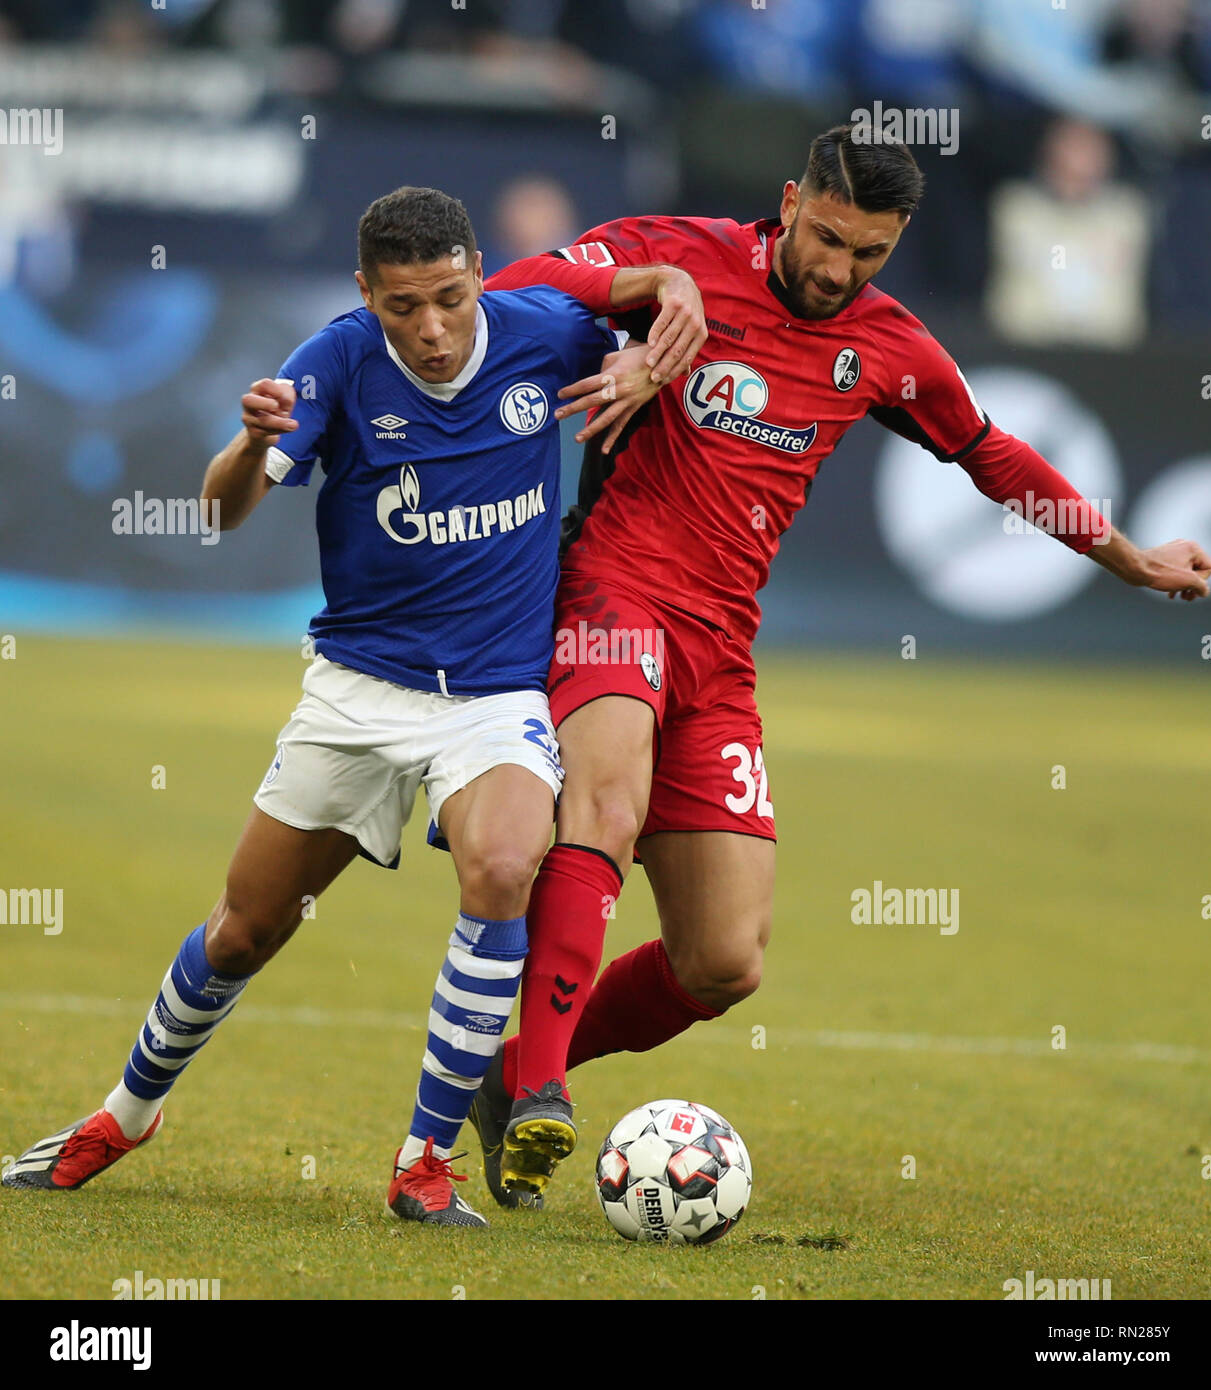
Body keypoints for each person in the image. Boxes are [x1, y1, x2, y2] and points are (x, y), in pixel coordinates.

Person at [472, 125, 1211, 1206]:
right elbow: (517, 287)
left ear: (894, 241)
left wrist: (1127, 557)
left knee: (722, 961)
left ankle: (501, 1076)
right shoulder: (681, 256)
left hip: (720, 650)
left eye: (865, 253)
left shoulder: (887, 346)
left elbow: (991, 454)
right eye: (822, 238)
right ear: (790, 201)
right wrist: (649, 287)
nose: (834, 269)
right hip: (608, 593)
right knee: (606, 800)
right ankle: (539, 1089)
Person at [1, 184, 704, 1227]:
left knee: (508, 859)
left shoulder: (546, 327)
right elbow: (220, 510)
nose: (431, 328)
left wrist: (657, 335)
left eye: (451, 300)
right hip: (356, 691)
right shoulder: (331, 361)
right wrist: (246, 447)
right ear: (365, 294)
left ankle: (424, 1159)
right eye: (403, 306)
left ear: (479, 277)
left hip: (493, 694)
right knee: (243, 929)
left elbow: (664, 308)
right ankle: (126, 1113)